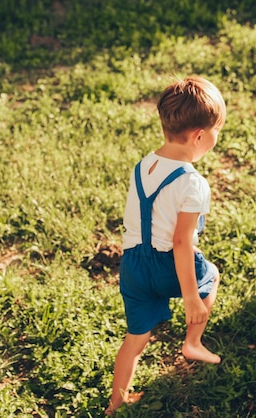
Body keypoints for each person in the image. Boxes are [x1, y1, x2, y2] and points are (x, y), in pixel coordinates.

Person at [107, 76, 226, 415]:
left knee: (135, 341)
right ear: (201, 136)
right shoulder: (193, 183)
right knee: (212, 275)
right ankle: (192, 342)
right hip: (168, 265)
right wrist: (191, 296)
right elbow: (181, 241)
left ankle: (116, 403)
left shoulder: (143, 165)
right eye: (217, 131)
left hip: (133, 265)